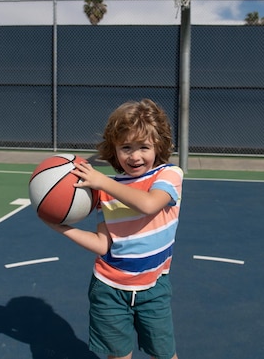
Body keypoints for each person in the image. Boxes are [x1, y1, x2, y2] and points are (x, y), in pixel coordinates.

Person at [44, 98, 183, 359]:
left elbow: (149, 204)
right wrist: (60, 227)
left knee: (165, 355)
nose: (135, 155)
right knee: (118, 357)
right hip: (109, 288)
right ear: (114, 150)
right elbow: (103, 245)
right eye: (126, 147)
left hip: (152, 289)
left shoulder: (169, 175)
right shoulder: (105, 192)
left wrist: (103, 183)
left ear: (159, 146)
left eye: (144, 147)